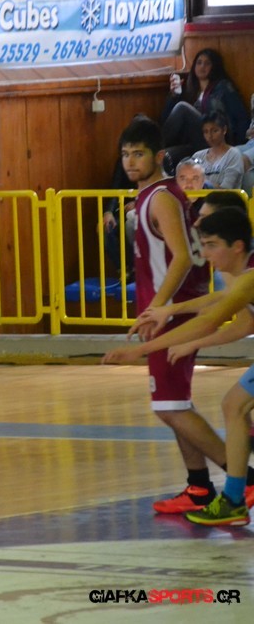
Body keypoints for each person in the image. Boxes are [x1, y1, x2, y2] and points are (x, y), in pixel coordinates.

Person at [99, 117, 228, 516]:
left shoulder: (159, 198)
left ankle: (243, 478)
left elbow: (183, 258)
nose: (130, 161)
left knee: (169, 407)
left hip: (172, 311)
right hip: (171, 308)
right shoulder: (155, 195)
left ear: (158, 157)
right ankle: (199, 486)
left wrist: (159, 308)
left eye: (138, 154)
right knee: (175, 403)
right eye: (125, 154)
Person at [103, 207, 254, 524]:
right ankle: (234, 498)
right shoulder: (244, 276)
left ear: (237, 246)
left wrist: (141, 350)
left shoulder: (249, 279)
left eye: (211, 245)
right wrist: (174, 315)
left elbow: (210, 320)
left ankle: (234, 498)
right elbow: (228, 311)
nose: (205, 254)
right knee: (234, 406)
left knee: (235, 407)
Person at [161, 48, 249, 168]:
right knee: (164, 156)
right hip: (193, 143)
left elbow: (241, 117)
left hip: (215, 139)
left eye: (207, 63)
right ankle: (155, 151)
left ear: (214, 67)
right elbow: (166, 121)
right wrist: (174, 95)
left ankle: (154, 145)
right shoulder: (189, 90)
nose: (202, 66)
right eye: (199, 63)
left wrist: (237, 148)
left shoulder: (223, 87)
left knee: (182, 108)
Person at [190, 112, 245, 189]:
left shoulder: (234, 154)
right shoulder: (198, 156)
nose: (210, 136)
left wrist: (202, 182)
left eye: (215, 131)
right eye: (206, 132)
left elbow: (226, 189)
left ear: (224, 130)